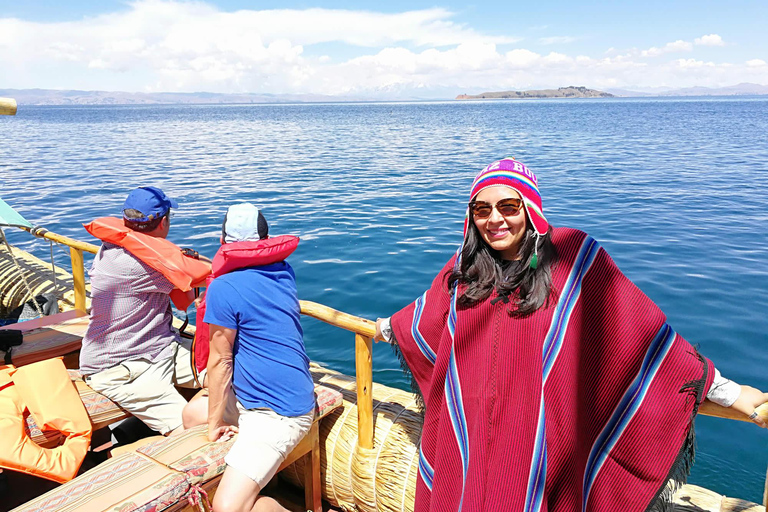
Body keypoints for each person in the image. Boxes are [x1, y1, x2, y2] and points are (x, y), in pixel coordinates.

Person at [373, 158, 768, 512]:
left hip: (541, 442)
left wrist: (729, 393)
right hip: (472, 438)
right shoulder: (465, 267)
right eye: (482, 209)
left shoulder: (574, 257)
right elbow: (425, 317)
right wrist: (388, 327)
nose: (495, 219)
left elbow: (641, 334)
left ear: (530, 209)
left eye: (508, 206)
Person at [183, 203, 315, 512]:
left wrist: (215, 423)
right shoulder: (283, 272)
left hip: (279, 412)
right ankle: (250, 477)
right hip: (252, 397)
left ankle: (256, 498)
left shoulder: (224, 288)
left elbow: (220, 361)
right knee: (190, 415)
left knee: (227, 508)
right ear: (265, 241)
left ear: (223, 241)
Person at [79, 186, 201, 437]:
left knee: (227, 368)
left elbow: (178, 298)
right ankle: (128, 440)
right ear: (164, 222)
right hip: (122, 369)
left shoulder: (110, 249)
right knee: (196, 434)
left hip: (159, 348)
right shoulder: (148, 263)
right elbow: (185, 299)